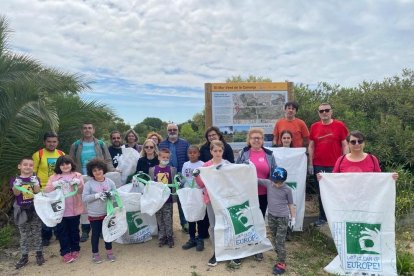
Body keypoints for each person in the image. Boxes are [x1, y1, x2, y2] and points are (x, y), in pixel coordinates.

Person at [195, 140, 241, 267]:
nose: (218, 153)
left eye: (220, 151)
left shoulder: (227, 165)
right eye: (215, 151)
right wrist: (197, 176)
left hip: (226, 200)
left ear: (223, 151)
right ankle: (217, 253)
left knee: (229, 225)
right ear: (211, 151)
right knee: (214, 226)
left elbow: (233, 180)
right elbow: (201, 184)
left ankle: (233, 252)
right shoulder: (205, 166)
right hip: (211, 200)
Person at [236, 127, 277, 261]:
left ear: (262, 140)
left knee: (259, 221)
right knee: (246, 220)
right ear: (249, 139)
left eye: (259, 138)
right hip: (247, 193)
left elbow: (274, 173)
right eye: (253, 138)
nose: (256, 140)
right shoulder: (244, 153)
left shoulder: (269, 154)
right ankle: (245, 246)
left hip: (263, 193)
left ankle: (258, 247)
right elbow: (236, 170)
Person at [69, 122, 114, 242]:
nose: (87, 130)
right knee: (83, 205)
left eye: (89, 128)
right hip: (81, 177)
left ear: (93, 130)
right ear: (81, 130)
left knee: (100, 202)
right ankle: (85, 230)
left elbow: (108, 159)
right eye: (85, 128)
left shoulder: (100, 143)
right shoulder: (76, 145)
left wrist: (113, 170)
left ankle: (100, 230)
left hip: (97, 176)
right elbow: (71, 161)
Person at [308, 103, 348, 226]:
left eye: (327, 110)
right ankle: (322, 217)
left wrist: (344, 161)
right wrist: (310, 164)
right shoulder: (314, 127)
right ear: (318, 113)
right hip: (318, 165)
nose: (324, 113)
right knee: (321, 193)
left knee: (337, 192)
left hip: (335, 165)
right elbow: (311, 145)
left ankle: (337, 217)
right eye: (321, 111)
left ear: (331, 111)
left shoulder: (339, 125)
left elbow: (345, 144)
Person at [45, 156, 84, 264]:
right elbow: (47, 190)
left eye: (67, 163)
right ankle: (65, 252)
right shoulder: (53, 177)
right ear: (58, 166)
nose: (65, 166)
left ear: (71, 164)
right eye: (62, 164)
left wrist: (79, 183)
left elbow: (81, 191)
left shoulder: (77, 175)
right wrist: (54, 185)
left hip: (74, 210)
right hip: (60, 211)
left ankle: (75, 248)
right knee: (62, 232)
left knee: (74, 230)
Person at [258, 167, 296, 275]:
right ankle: (279, 254)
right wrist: (247, 168)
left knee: (280, 241)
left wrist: (293, 218)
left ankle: (281, 262)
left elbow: (291, 204)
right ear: (272, 179)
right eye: (276, 182)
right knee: (274, 238)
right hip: (271, 216)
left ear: (284, 180)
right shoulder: (268, 184)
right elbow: (255, 179)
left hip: (283, 217)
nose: (277, 185)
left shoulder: (287, 189)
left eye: (280, 183)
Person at [10, 157, 45, 269]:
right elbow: (16, 193)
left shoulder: (35, 178)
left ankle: (39, 254)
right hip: (21, 210)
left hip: (34, 209)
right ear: (19, 166)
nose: (28, 167)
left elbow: (37, 192)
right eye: (25, 164)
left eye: (30, 165)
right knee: (24, 235)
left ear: (33, 167)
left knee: (37, 232)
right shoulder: (14, 179)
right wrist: (17, 185)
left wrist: (36, 183)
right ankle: (24, 256)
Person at [32, 131, 65, 246]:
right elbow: (32, 173)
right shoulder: (38, 155)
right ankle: (46, 237)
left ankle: (59, 234)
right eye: (49, 142)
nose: (51, 144)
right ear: (44, 142)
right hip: (43, 190)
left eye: (54, 142)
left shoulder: (61, 154)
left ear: (57, 142)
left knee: (58, 211)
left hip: (58, 189)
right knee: (45, 213)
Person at [82, 158, 117, 263]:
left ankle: (109, 252)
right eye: (94, 170)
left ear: (103, 169)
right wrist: (97, 195)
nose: (97, 172)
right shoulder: (89, 184)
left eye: (99, 169)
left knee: (108, 233)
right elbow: (84, 198)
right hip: (94, 214)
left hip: (107, 213)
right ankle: (95, 254)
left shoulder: (110, 182)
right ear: (91, 172)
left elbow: (116, 194)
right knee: (96, 234)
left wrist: (111, 194)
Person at [159, 123, 189, 233]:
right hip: (165, 176)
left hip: (180, 176)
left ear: (178, 130)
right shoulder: (161, 144)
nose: (172, 131)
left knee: (182, 200)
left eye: (174, 129)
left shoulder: (185, 143)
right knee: (166, 201)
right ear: (167, 131)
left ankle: (184, 223)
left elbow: (187, 158)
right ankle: (167, 227)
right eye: (170, 129)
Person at [149, 148, 177, 248]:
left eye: (167, 157)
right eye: (163, 157)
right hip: (157, 200)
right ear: (159, 157)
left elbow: (174, 184)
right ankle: (162, 237)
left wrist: (174, 198)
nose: (165, 159)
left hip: (168, 199)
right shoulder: (153, 170)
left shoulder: (172, 170)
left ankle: (170, 237)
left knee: (168, 218)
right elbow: (151, 185)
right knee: (159, 219)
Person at [181, 145, 206, 252]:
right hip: (188, 194)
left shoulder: (202, 165)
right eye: (190, 152)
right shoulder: (185, 164)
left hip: (199, 193)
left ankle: (200, 239)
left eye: (194, 152)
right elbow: (183, 178)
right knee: (190, 217)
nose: (192, 154)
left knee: (200, 217)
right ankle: (191, 239)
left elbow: (205, 179)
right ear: (187, 154)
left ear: (198, 153)